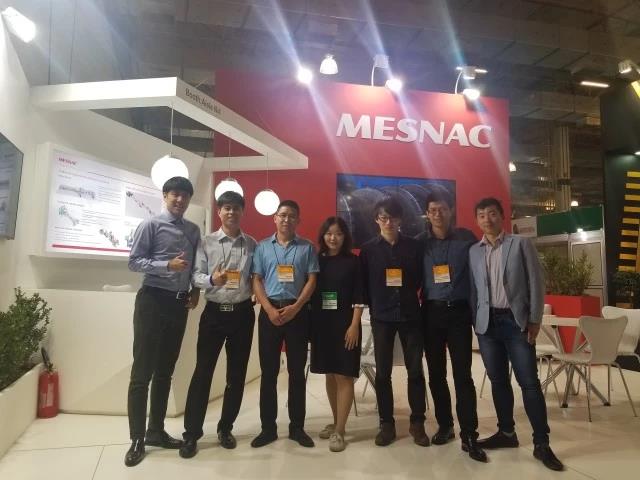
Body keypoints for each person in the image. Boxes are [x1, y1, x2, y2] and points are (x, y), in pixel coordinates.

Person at [469, 197, 564, 472]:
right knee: (498, 381)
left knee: (529, 383)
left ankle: (542, 443)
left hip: (516, 323)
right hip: (487, 326)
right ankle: (506, 432)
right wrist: (476, 320)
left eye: (492, 214)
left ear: (503, 216)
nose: (487, 219)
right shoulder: (474, 251)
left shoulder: (520, 244)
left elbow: (536, 282)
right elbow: (474, 289)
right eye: (482, 215)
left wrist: (534, 319)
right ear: (477, 220)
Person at [125, 176, 201, 467]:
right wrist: (166, 265)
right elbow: (134, 262)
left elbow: (194, 267)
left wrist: (195, 290)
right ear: (165, 196)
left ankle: (155, 431)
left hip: (179, 304)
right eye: (175, 194)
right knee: (141, 373)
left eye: (185, 196)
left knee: (165, 372)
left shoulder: (193, 230)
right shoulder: (151, 225)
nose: (180, 200)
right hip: (152, 301)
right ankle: (137, 439)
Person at [179, 191, 257, 458]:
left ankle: (226, 428)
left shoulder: (251, 244)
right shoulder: (206, 242)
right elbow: (195, 276)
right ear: (219, 211)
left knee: (236, 376)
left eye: (236, 208)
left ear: (242, 211)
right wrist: (212, 280)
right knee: (202, 373)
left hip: (242, 314)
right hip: (214, 314)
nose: (231, 212)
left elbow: (256, 276)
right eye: (226, 208)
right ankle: (191, 434)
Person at [417, 193, 486, 462]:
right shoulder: (420, 243)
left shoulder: (467, 238)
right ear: (427, 213)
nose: (437, 214)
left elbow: (481, 271)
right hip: (431, 313)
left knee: (463, 375)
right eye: (433, 210)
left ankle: (469, 433)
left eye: (442, 209)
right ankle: (445, 425)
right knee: (436, 374)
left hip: (459, 312)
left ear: (451, 210)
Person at [359, 197, 429, 447]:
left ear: (400, 220)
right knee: (383, 373)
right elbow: (364, 283)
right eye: (384, 218)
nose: (389, 222)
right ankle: (386, 423)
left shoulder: (414, 247)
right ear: (376, 220)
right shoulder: (368, 250)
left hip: (410, 315)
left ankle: (417, 422)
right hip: (382, 318)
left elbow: (420, 278)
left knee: (415, 371)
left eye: (393, 218)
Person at [251, 200, 319, 448]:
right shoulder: (262, 247)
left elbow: (312, 280)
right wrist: (269, 309)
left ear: (298, 220)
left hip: (297, 314)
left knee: (296, 372)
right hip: (269, 313)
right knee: (268, 372)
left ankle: (297, 427)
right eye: (282, 215)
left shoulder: (307, 248)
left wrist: (297, 307)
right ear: (275, 218)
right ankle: (267, 428)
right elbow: (256, 280)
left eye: (291, 216)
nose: (286, 219)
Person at [310, 217, 364, 452]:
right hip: (322, 325)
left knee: (344, 375)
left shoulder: (353, 262)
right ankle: (335, 422)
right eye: (329, 233)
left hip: (345, 325)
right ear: (323, 235)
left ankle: (340, 431)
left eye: (339, 234)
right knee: (330, 375)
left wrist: (354, 325)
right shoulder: (316, 260)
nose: (333, 238)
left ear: (345, 237)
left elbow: (359, 296)